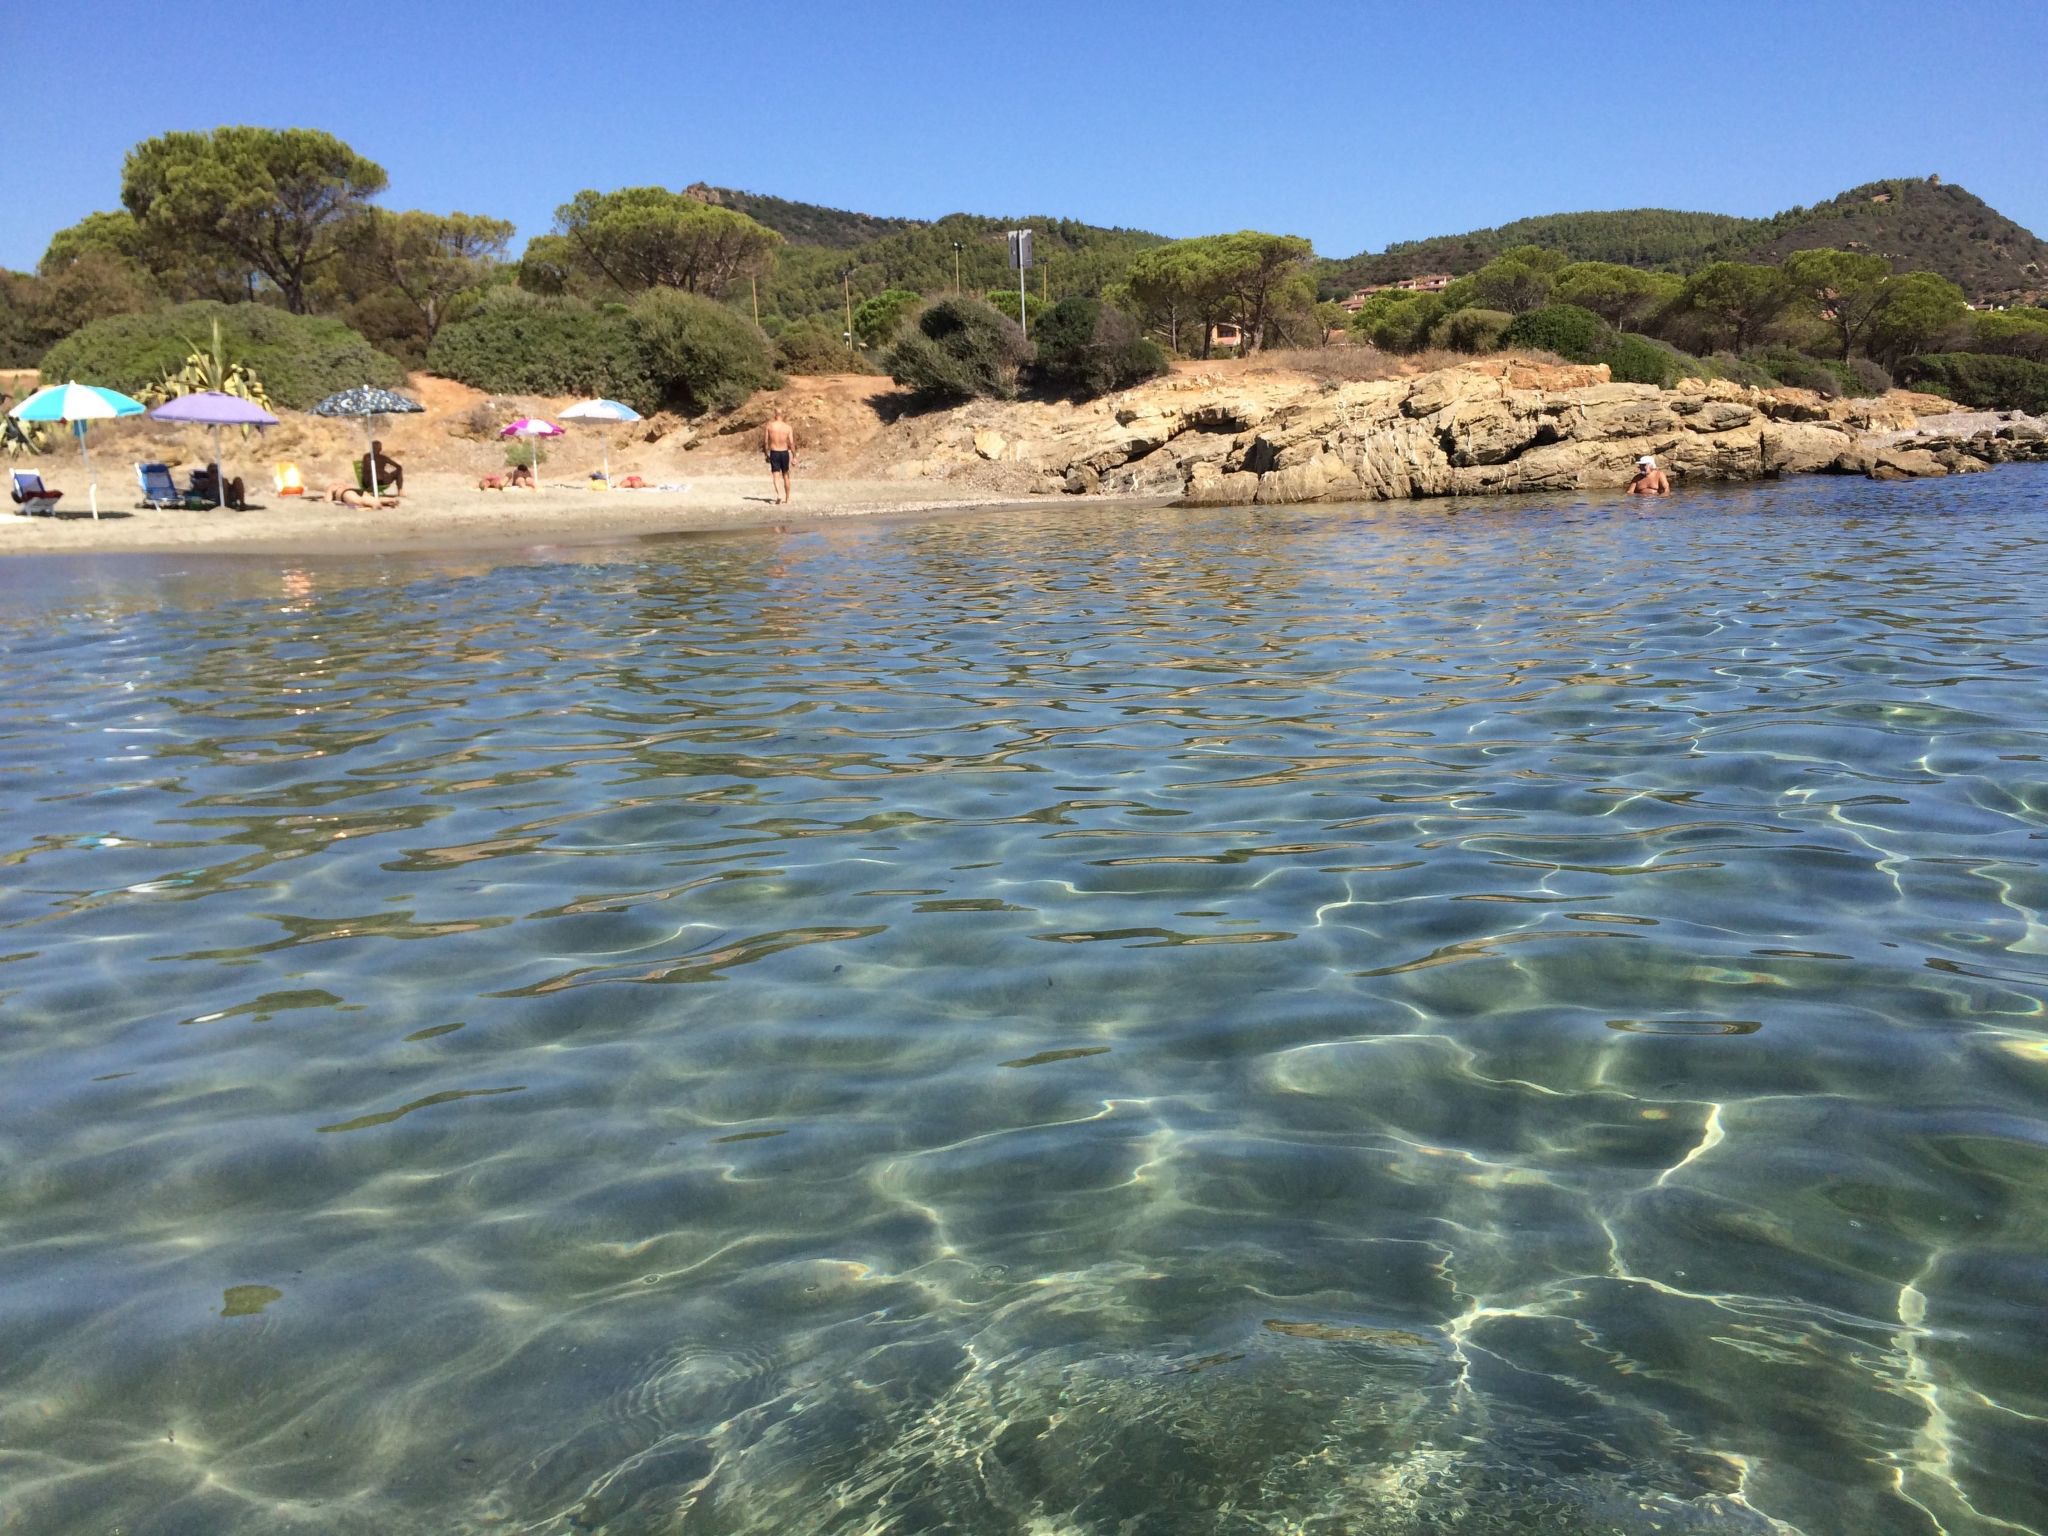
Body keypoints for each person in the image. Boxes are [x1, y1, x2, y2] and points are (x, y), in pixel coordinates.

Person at [762, 409, 796, 504]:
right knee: (786, 475)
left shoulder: (770, 426)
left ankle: (779, 495)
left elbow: (765, 442)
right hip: (784, 452)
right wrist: (794, 456)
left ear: (775, 415)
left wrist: (766, 454)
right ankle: (788, 499)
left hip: (774, 452)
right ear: (782, 415)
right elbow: (792, 443)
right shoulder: (788, 427)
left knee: (775, 475)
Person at [328, 483, 399, 509]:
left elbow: (327, 500)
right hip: (358, 490)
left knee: (359, 502)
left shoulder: (332, 487)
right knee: (369, 498)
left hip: (346, 493)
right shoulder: (344, 484)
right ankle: (391, 500)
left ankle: (375, 504)